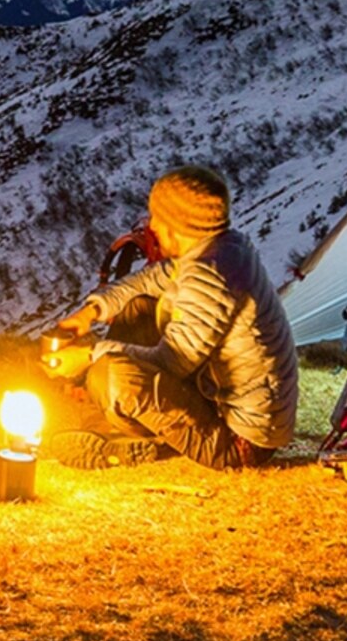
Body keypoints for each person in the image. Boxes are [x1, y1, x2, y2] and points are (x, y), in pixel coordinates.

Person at [44, 164, 298, 469]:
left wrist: (89, 355)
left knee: (113, 375)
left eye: (157, 217)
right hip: (221, 401)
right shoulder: (221, 248)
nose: (151, 226)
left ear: (177, 224)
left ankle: (143, 444)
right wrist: (92, 312)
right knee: (139, 307)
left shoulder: (209, 276)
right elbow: (148, 281)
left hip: (241, 440)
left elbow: (169, 362)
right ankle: (112, 425)